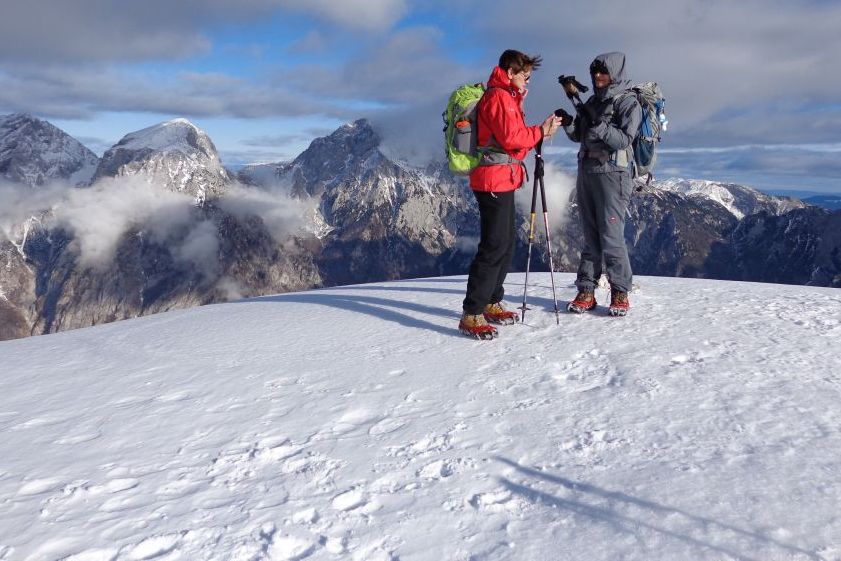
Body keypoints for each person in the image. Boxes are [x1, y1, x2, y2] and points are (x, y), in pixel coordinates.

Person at [459, 49, 564, 338]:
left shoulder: (507, 97)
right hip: (493, 180)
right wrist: (541, 131)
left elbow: (514, 143)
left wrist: (535, 127)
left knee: (504, 244)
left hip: (502, 178)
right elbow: (513, 139)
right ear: (509, 72)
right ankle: (472, 312)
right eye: (525, 77)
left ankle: (492, 300)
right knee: (493, 245)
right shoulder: (498, 97)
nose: (528, 82)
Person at [563, 52, 641, 317]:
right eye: (594, 72)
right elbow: (579, 136)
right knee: (590, 233)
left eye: (603, 72)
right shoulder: (593, 101)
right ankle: (586, 289)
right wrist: (569, 123)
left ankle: (620, 290)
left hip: (613, 174)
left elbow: (624, 139)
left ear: (615, 73)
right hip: (587, 171)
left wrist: (599, 126)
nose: (597, 77)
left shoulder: (628, 102)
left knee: (611, 235)